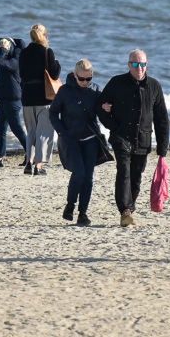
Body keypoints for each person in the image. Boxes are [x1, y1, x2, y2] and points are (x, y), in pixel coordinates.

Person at [98, 49, 170, 227]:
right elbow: (100, 107)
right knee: (124, 171)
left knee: (136, 176)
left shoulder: (154, 86)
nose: (140, 68)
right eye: (136, 64)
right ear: (129, 65)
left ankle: (130, 207)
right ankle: (125, 211)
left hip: (143, 139)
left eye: (143, 64)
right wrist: (113, 125)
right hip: (121, 136)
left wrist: (163, 148)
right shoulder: (116, 82)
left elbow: (162, 118)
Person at [50, 59, 108, 226]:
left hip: (91, 139)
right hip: (71, 139)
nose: (85, 82)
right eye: (81, 79)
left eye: (88, 79)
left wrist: (108, 109)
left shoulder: (96, 90)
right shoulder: (64, 91)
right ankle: (70, 205)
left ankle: (83, 213)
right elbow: (53, 113)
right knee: (79, 173)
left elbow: (104, 115)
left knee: (88, 178)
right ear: (74, 75)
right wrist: (61, 132)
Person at [18, 24, 61, 176]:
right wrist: (57, 63)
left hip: (27, 97)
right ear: (44, 35)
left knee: (31, 131)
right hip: (44, 97)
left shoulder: (23, 53)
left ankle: (28, 162)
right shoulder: (46, 52)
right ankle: (39, 165)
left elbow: (21, 74)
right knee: (44, 132)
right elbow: (54, 74)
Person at [0, 37, 28, 168]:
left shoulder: (15, 61)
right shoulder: (8, 59)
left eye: (1, 48)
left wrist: (4, 48)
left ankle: (31, 154)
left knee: (16, 129)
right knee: (1, 129)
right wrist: (5, 44)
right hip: (4, 98)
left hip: (12, 100)